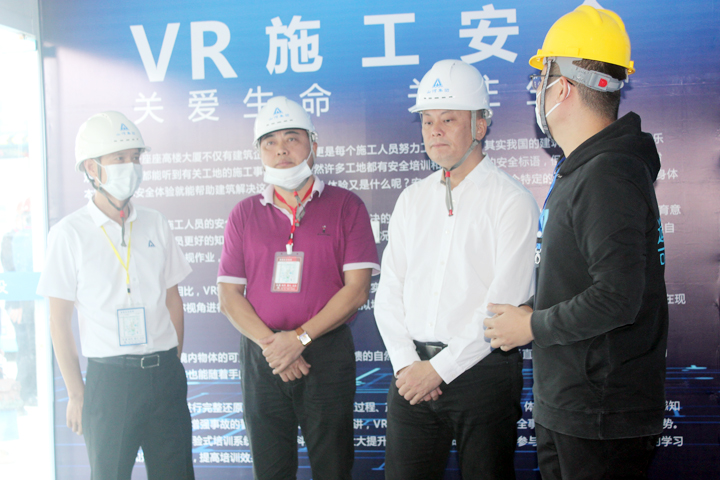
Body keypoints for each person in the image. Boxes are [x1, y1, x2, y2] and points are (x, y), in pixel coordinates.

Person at [483, 6, 668, 479]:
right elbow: (583, 280)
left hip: (599, 415)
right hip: (575, 407)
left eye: (540, 80)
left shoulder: (607, 174)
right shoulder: (587, 169)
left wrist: (532, 326)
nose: (537, 93)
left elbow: (617, 297)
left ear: (562, 87)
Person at [374, 59, 539, 479]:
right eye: (427, 121)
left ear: (480, 125)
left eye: (448, 119)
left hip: (482, 376)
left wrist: (437, 370)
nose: (435, 131)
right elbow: (389, 292)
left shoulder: (512, 200)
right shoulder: (411, 199)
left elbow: (501, 308)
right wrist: (407, 365)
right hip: (411, 374)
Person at [217, 96, 380, 480]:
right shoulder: (244, 213)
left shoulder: (347, 206)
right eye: (270, 142)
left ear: (313, 145)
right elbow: (228, 297)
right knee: (271, 469)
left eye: (292, 138)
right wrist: (277, 346)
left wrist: (300, 339)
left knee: (332, 467)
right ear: (259, 152)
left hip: (325, 352)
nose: (281, 150)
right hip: (264, 355)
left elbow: (357, 290)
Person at [37, 111, 195, 480]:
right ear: (92, 168)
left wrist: (171, 363)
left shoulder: (155, 222)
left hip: (165, 375)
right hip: (110, 382)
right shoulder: (69, 233)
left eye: (136, 157)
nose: (131, 166)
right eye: (120, 158)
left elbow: (173, 300)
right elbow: (58, 322)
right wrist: (77, 393)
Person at [1, 199, 37, 407]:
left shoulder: (36, 236)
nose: (27, 219)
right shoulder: (10, 238)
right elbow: (11, 271)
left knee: (35, 347)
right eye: (24, 215)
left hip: (35, 302)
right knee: (26, 348)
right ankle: (24, 393)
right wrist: (16, 304)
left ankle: (31, 391)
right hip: (20, 304)